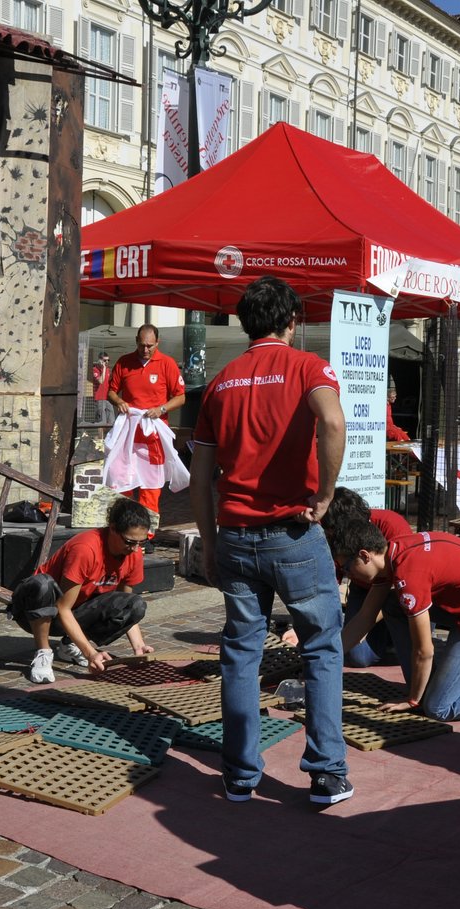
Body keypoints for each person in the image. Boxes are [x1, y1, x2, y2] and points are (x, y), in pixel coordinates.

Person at [189, 276, 352, 805]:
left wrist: (209, 546)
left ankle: (239, 775)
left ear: (243, 324)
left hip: (235, 535)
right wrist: (325, 494)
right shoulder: (308, 367)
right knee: (321, 649)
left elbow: (200, 474)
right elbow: (332, 421)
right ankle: (326, 772)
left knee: (240, 654)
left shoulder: (220, 381)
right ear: (292, 321)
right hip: (294, 532)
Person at [334, 522, 460, 720]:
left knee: (438, 707)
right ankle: (426, 686)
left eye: (348, 568)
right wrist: (328, 657)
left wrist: (412, 700)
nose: (348, 576)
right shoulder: (392, 553)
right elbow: (365, 617)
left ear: (364, 555)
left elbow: (424, 651)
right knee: (391, 605)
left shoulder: (409, 575)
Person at [10, 497, 155, 683]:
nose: (135, 549)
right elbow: (63, 607)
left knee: (136, 605)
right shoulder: (86, 548)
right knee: (43, 584)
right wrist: (90, 653)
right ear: (112, 528)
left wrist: (139, 646)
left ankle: (68, 646)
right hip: (34, 610)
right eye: (129, 542)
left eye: (141, 543)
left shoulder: (133, 554)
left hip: (71, 613)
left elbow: (125, 603)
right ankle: (43, 652)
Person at [319, 487, 412, 668]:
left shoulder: (391, 525)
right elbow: (329, 584)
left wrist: (364, 623)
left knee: (410, 645)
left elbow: (405, 584)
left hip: (396, 593)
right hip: (364, 589)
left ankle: (394, 636)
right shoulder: (333, 534)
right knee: (356, 657)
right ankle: (385, 639)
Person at [107, 324, 187, 528]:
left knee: (150, 485)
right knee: (120, 477)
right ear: (136, 341)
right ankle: (124, 527)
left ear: (157, 343)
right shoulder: (125, 362)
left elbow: (180, 397)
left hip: (153, 436)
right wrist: (119, 402)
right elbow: (111, 391)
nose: (145, 350)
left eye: (150, 346)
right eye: (142, 345)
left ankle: (147, 532)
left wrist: (161, 409)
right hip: (129, 434)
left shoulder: (167, 363)